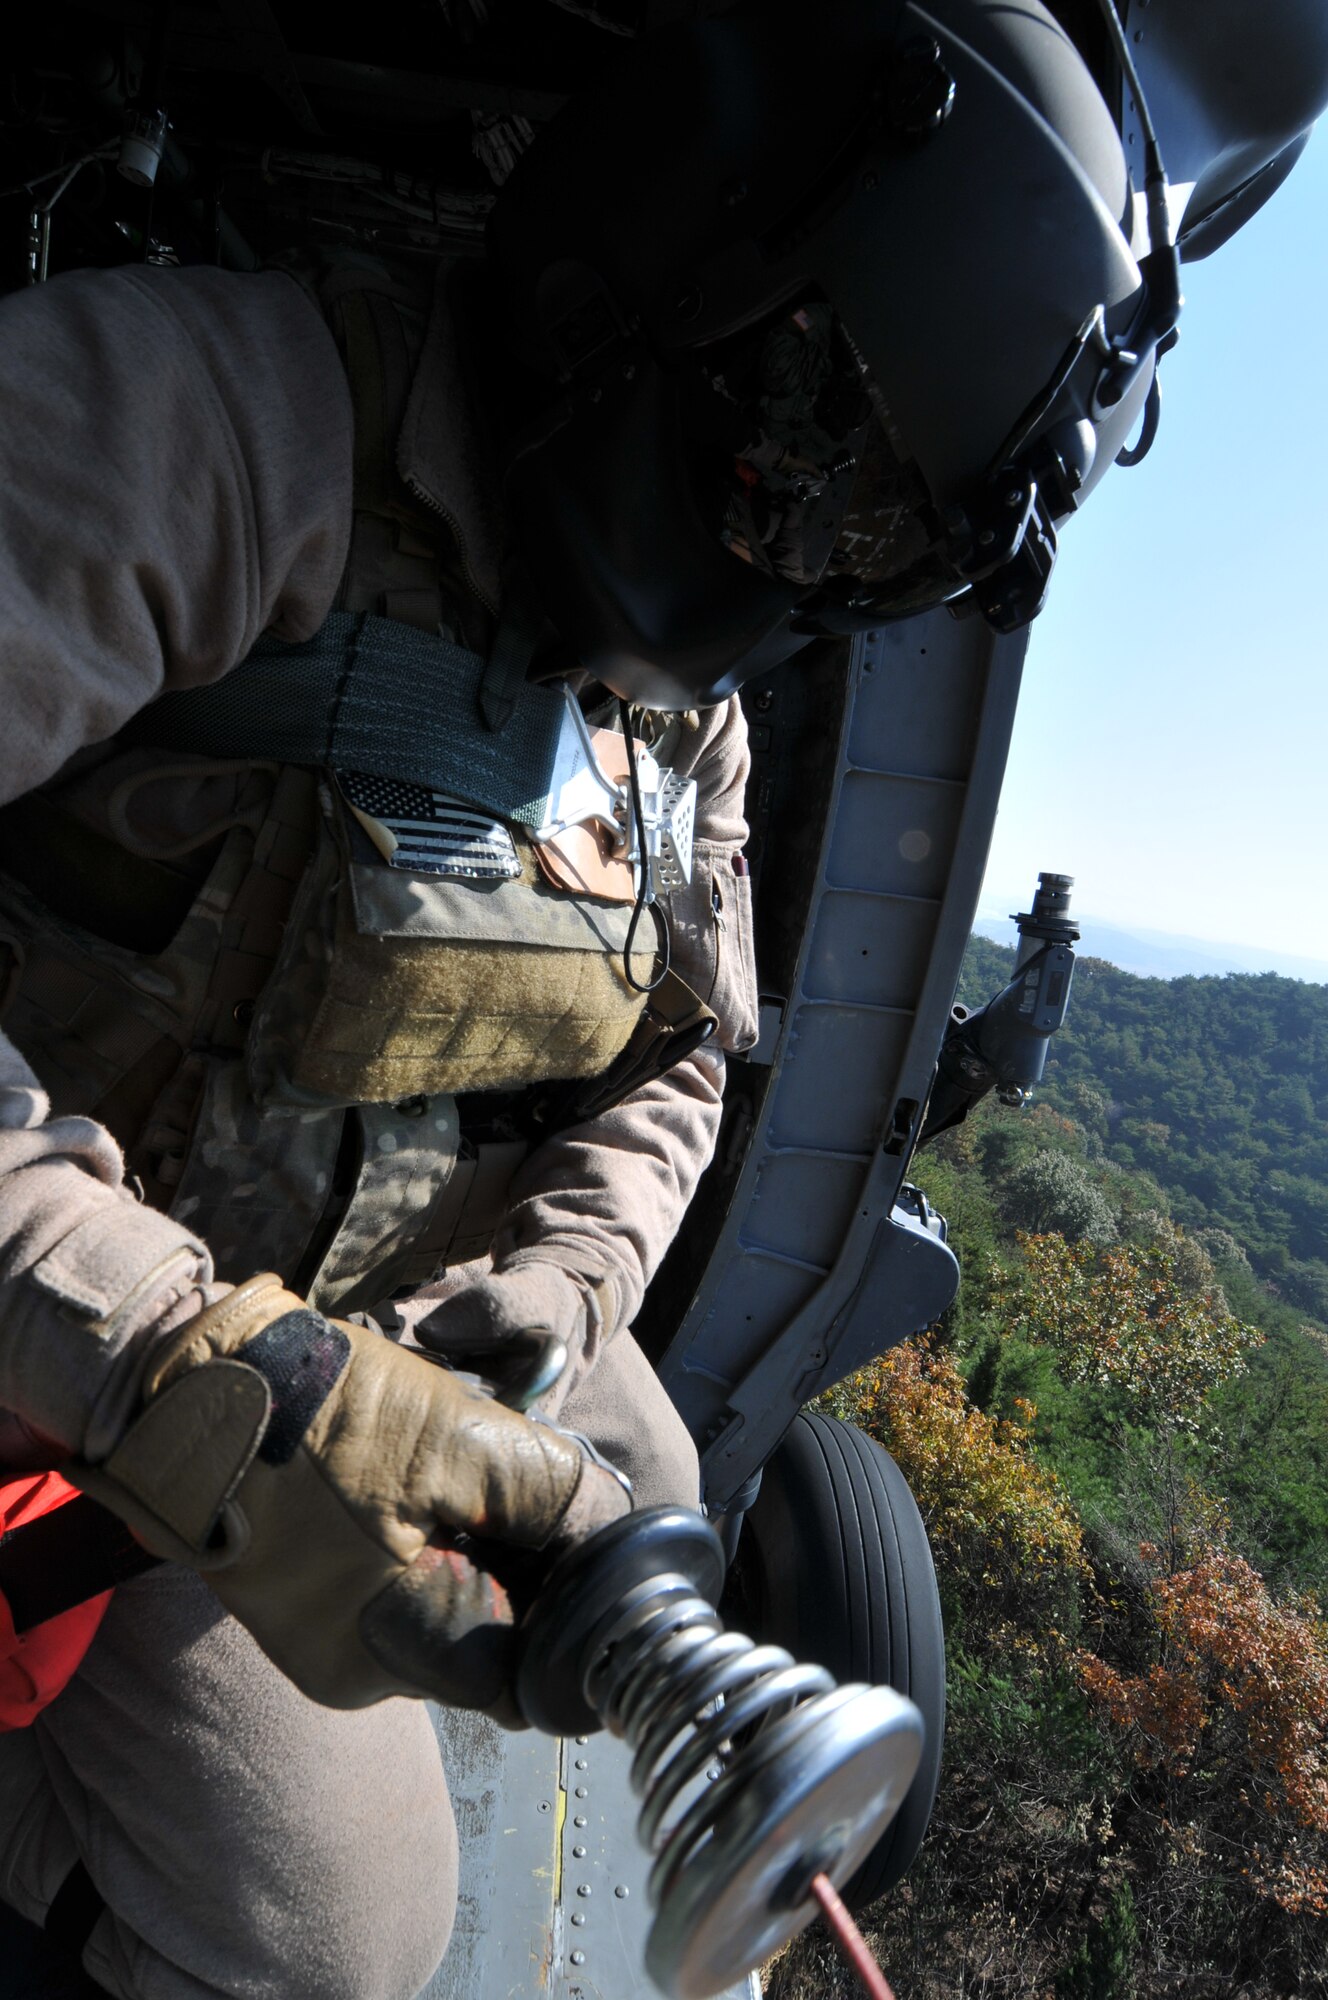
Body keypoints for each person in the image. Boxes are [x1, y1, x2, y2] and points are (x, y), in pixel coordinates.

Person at [0, 0, 1321, 1993]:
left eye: (857, 548)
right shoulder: (211, 426)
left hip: (337, 1335)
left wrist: (575, 1278)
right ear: (693, 274)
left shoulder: (672, 718)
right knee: (334, 1942)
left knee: (653, 1474)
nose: (783, 566)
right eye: (798, 460)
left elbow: (685, 1048)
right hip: (85, 1351)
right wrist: (190, 1375)